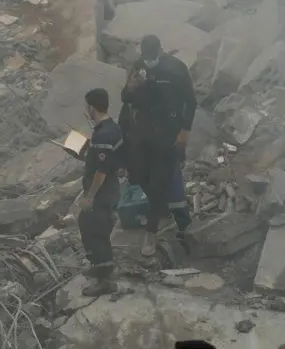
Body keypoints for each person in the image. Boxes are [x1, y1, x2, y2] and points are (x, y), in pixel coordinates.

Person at [121, 36, 196, 258]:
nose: (149, 61)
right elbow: (126, 99)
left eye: (153, 57)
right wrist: (130, 88)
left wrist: (185, 131)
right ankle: (159, 209)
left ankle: (151, 232)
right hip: (142, 135)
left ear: (161, 51)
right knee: (141, 180)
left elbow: (191, 101)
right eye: (146, 57)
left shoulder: (176, 69)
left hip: (167, 136)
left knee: (159, 183)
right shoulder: (138, 67)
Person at [69, 88, 124, 297]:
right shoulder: (112, 128)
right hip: (109, 188)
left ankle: (105, 280)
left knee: (96, 231)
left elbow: (101, 171)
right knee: (87, 224)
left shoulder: (103, 134)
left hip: (102, 192)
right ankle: (99, 266)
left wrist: (90, 196)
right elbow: (109, 160)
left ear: (92, 108)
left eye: (87, 107)